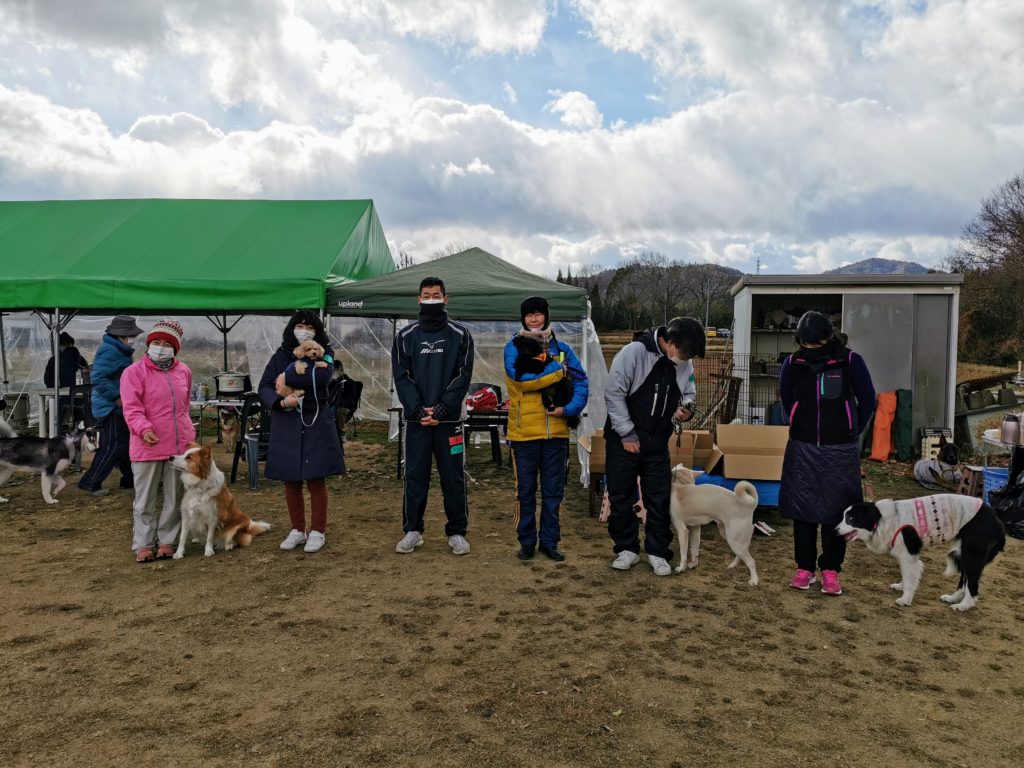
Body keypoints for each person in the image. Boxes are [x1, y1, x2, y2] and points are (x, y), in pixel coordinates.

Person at [778, 311, 875, 596]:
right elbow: (787, 399)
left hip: (840, 449)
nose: (809, 348)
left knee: (837, 511)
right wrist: (798, 421)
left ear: (827, 338)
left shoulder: (850, 361)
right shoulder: (792, 364)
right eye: (805, 344)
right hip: (803, 445)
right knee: (803, 510)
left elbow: (867, 398)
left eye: (815, 343)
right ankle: (804, 568)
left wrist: (851, 429)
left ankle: (831, 570)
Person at [603, 317, 705, 576]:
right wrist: (627, 433)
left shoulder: (684, 362)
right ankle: (626, 548)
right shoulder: (634, 353)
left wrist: (686, 409)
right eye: (683, 353)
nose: (685, 360)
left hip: (657, 441)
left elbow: (689, 392)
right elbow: (614, 393)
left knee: (659, 498)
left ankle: (658, 552)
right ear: (669, 341)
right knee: (621, 496)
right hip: (623, 440)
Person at [392, 276, 475, 556]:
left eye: (436, 295)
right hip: (417, 422)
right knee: (415, 476)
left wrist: (442, 408)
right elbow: (401, 376)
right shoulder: (406, 336)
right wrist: (418, 409)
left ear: (445, 298)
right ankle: (413, 530)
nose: (431, 299)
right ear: (418, 299)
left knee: (453, 477)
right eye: (426, 295)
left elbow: (463, 374)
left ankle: (457, 532)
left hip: (449, 422)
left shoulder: (460, 334)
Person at [503, 296, 589, 561]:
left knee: (553, 493)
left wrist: (569, 409)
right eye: (529, 315)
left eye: (538, 314)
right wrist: (558, 371)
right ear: (523, 318)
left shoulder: (563, 349)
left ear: (546, 316)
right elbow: (521, 380)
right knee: (525, 492)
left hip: (556, 433)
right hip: (524, 434)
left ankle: (550, 542)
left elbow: (582, 381)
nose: (534, 319)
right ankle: (527, 541)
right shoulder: (513, 347)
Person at [258, 310, 345, 554]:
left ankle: (318, 530)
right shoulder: (280, 354)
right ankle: (297, 529)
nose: (304, 331)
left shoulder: (325, 354)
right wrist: (280, 402)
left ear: (317, 333)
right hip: (287, 419)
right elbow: (264, 386)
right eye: (300, 326)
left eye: (310, 327)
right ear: (291, 328)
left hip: (315, 419)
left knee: (316, 477)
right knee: (291, 479)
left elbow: (322, 377)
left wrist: (286, 376)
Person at [120, 320, 195, 563]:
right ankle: (143, 544)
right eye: (156, 342)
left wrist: (188, 435)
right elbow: (132, 409)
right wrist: (143, 429)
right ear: (148, 344)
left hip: (178, 447)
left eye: (167, 344)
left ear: (175, 348)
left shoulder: (184, 371)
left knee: (175, 498)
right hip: (147, 445)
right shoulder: (133, 373)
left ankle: (167, 541)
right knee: (144, 500)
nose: (161, 347)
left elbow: (184, 407)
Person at [78, 315, 144, 497]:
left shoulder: (118, 350)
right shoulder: (111, 351)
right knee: (113, 445)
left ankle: (130, 478)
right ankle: (91, 481)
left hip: (114, 405)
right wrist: (117, 396)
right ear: (122, 335)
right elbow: (98, 377)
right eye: (131, 335)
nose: (134, 339)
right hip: (111, 407)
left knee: (124, 443)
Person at [44, 331, 90, 426]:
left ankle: (59, 429)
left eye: (70, 345)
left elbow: (47, 380)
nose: (68, 347)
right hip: (70, 396)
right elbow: (48, 379)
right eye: (66, 344)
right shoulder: (55, 361)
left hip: (68, 397)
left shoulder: (77, 359)